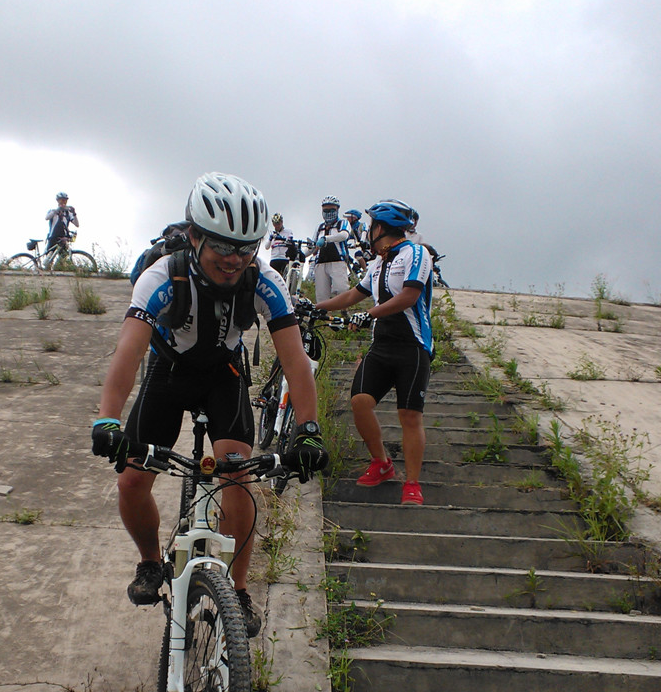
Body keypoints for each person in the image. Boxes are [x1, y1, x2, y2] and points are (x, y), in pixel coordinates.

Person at [91, 172, 328, 636]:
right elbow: (128, 352)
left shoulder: (264, 280)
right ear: (195, 236)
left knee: (238, 477)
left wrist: (309, 430)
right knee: (132, 480)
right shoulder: (162, 275)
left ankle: (237, 590)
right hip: (168, 373)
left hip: (225, 376)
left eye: (246, 247)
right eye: (222, 245)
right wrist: (107, 420)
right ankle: (149, 561)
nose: (234, 259)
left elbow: (295, 362)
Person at [314, 198, 433, 506]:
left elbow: (409, 296)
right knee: (360, 401)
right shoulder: (379, 262)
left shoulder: (416, 253)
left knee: (409, 415)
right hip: (382, 346)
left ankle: (412, 483)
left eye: (371, 226)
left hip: (413, 345)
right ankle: (381, 462)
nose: (368, 231)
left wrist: (370, 314)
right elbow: (354, 294)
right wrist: (316, 307)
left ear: (381, 228)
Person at [311, 195, 353, 303]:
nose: (329, 213)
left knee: (342, 289)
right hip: (320, 263)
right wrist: (302, 254)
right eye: (326, 210)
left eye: (332, 210)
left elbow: (343, 235)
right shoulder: (319, 227)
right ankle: (323, 312)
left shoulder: (342, 223)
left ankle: (343, 310)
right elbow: (313, 245)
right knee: (321, 295)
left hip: (338, 261)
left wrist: (326, 239)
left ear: (337, 209)